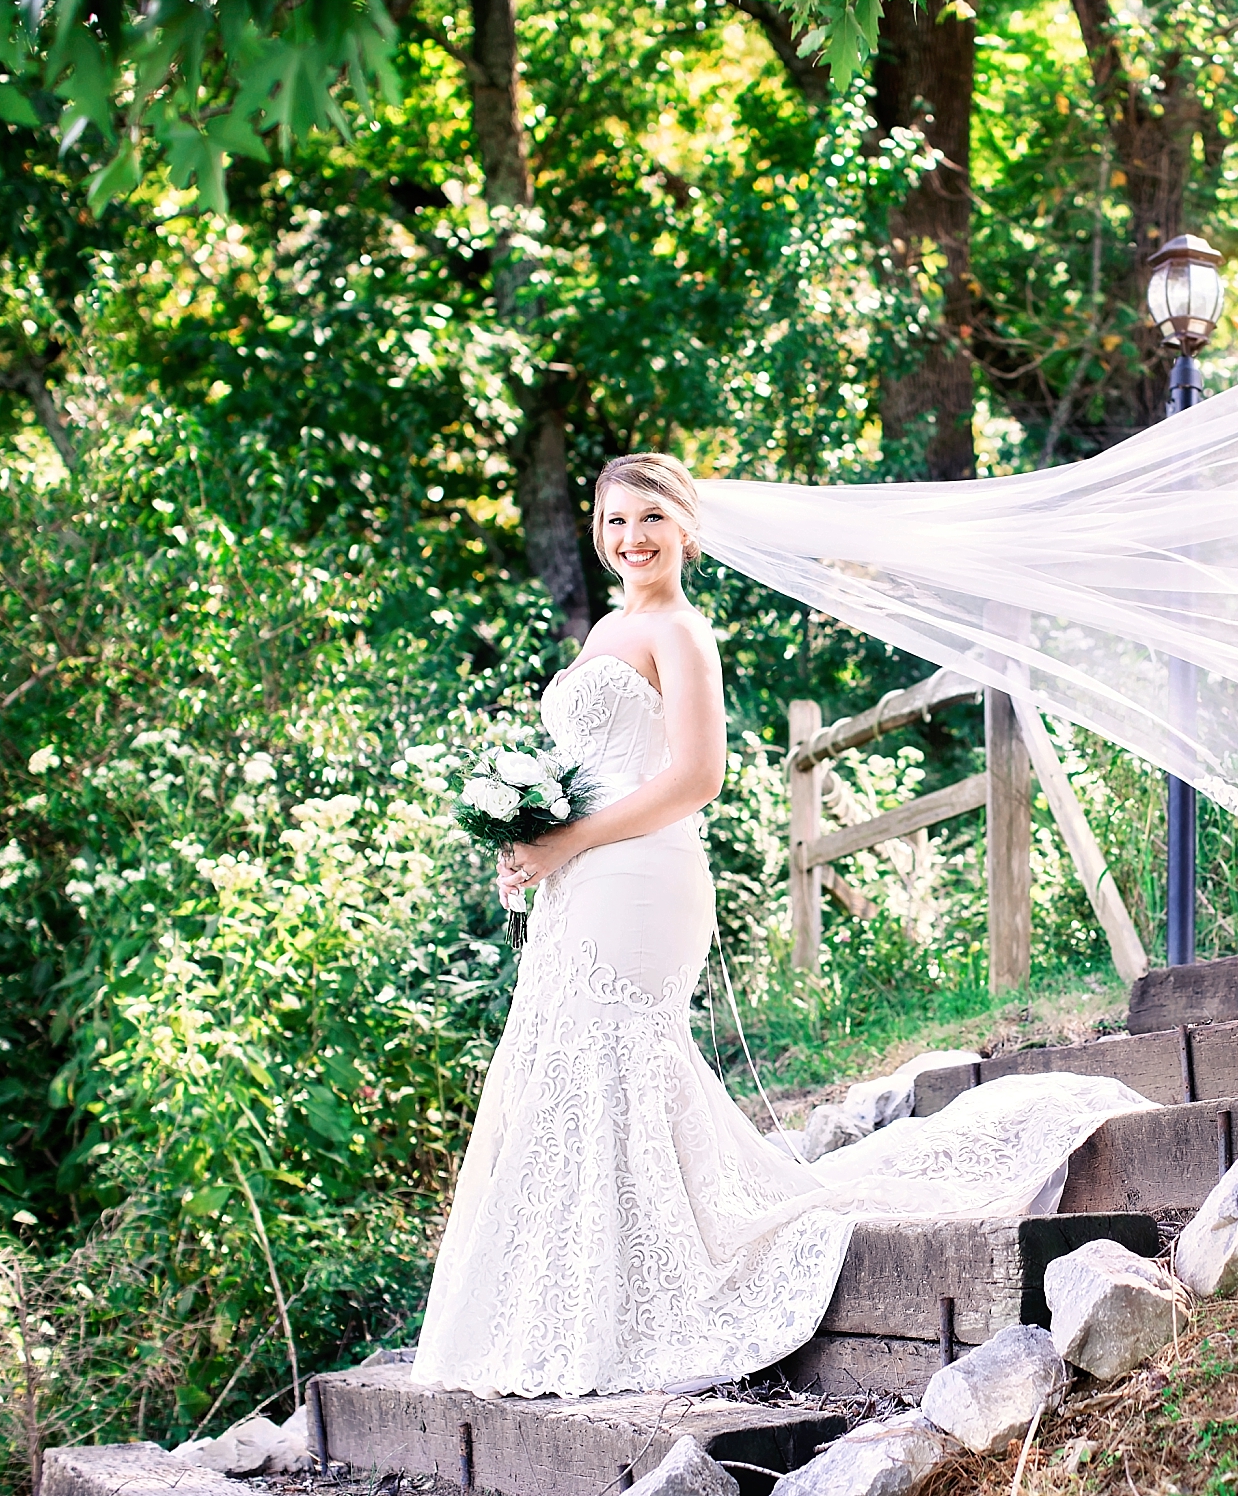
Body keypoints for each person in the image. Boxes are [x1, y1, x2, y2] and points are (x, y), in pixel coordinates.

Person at [410, 453, 1149, 1399]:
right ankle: (571, 1307)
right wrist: (533, 838)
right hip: (582, 873)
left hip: (638, 874)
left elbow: (695, 778)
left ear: (686, 529)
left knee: (616, 1060)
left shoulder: (683, 631)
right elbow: (597, 758)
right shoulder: (609, 626)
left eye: (649, 520)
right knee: (565, 1067)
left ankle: (639, 1309)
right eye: (613, 521)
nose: (630, 538)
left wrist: (572, 842)